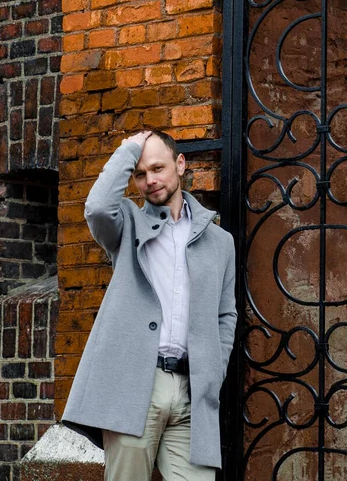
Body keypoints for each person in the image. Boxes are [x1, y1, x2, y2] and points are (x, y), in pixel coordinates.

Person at [62, 130, 237, 481]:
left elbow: (225, 314)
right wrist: (128, 150)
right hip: (135, 386)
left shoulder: (219, 241)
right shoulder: (128, 223)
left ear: (180, 164)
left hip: (191, 391)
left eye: (157, 168)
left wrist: (212, 372)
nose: (150, 181)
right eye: (140, 174)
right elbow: (97, 207)